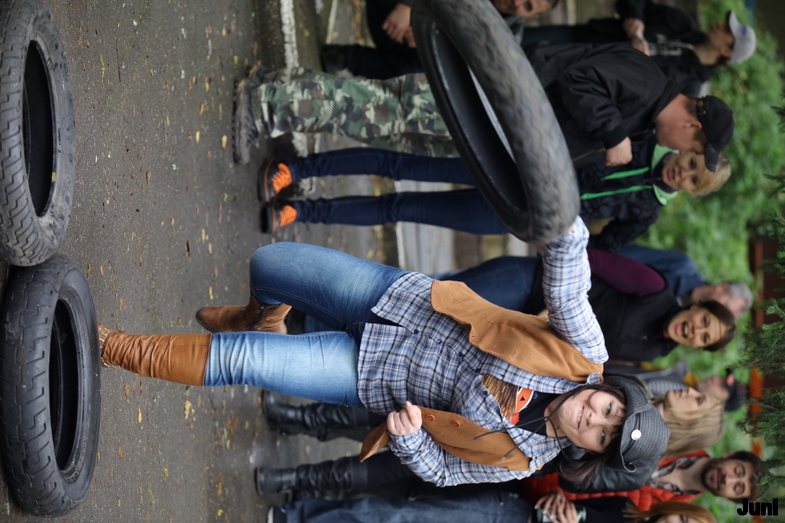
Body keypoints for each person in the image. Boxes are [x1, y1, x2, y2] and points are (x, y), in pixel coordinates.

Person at [97, 217, 669, 486]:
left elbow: (443, 472)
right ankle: (261, 317)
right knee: (268, 265)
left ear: (591, 452)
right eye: (610, 410)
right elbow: (567, 290)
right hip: (399, 300)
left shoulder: (521, 460)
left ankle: (111, 347)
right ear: (609, 391)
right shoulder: (583, 353)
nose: (594, 419)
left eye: (604, 436)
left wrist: (411, 438)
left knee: (242, 361)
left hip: (367, 374)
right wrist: (565, 224)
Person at [233, 42, 735, 169]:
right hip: (495, 102)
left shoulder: (645, 113)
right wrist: (612, 133)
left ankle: (278, 86)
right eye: (692, 149)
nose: (680, 153)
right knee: (382, 109)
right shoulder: (646, 82)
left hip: (494, 125)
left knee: (383, 122)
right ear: (693, 125)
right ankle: (263, 104)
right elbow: (579, 82)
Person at [257, 142, 731, 254]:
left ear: (692, 192)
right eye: (692, 161)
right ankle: (296, 169)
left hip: (514, 213)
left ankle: (302, 210)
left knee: (401, 208)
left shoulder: (647, 212)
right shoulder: (640, 139)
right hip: (508, 166)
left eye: (693, 179)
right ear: (688, 148)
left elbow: (599, 246)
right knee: (398, 165)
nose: (684, 172)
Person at [254, 385, 722, 497]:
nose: (689, 394)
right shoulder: (632, 390)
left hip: (501, 453)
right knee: (378, 413)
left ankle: (297, 479)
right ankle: (299, 418)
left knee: (380, 469)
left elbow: (577, 477)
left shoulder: (631, 466)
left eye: (698, 402)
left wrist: (581, 438)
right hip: (487, 399)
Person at [290, 246, 737, 362]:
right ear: (697, 307)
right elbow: (592, 259)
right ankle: (304, 306)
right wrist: (556, 308)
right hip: (527, 287)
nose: (696, 331)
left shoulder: (653, 352)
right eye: (704, 322)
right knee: (423, 300)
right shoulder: (655, 287)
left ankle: (312, 327)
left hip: (520, 332)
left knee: (423, 333)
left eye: (704, 338)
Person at [520, 4, 757, 97]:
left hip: (579, 80)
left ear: (727, 51)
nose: (720, 24)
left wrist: (639, 67)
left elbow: (642, 106)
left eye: (727, 30)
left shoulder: (689, 88)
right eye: (726, 23)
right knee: (513, 41)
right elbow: (635, 2)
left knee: (518, 83)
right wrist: (634, 17)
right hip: (577, 39)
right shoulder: (682, 22)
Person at [320, 0, 560, 79]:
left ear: (531, 17)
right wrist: (411, 5)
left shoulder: (504, 38)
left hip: (405, 38)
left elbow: (460, 66)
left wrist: (433, 39)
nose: (517, 2)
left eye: (527, 6)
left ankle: (344, 57)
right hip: (395, 7)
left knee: (415, 73)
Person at [523, 450, 766, 510]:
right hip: (543, 457)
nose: (728, 479)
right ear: (731, 456)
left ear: (729, 498)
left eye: (737, 487)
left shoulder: (673, 513)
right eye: (737, 471)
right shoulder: (677, 437)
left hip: (532, 504)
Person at [267, 490, 717, 523]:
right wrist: (559, 501)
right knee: (403, 516)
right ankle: (299, 515)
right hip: (511, 514)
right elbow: (566, 492)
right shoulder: (625, 507)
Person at [617, 244, 752, 316]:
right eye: (725, 306)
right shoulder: (681, 265)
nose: (719, 311)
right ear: (722, 287)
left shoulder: (688, 323)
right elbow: (627, 255)